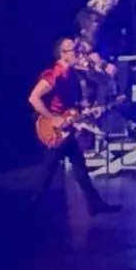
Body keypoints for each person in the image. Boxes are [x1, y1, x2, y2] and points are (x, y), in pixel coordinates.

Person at [28, 38, 118, 214]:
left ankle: (95, 205)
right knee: (49, 172)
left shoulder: (71, 75)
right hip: (54, 130)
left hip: (65, 129)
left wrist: (86, 112)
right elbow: (33, 98)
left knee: (79, 168)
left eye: (77, 50)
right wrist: (52, 118)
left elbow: (70, 106)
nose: (78, 53)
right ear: (63, 54)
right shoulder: (55, 74)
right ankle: (33, 208)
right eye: (73, 51)